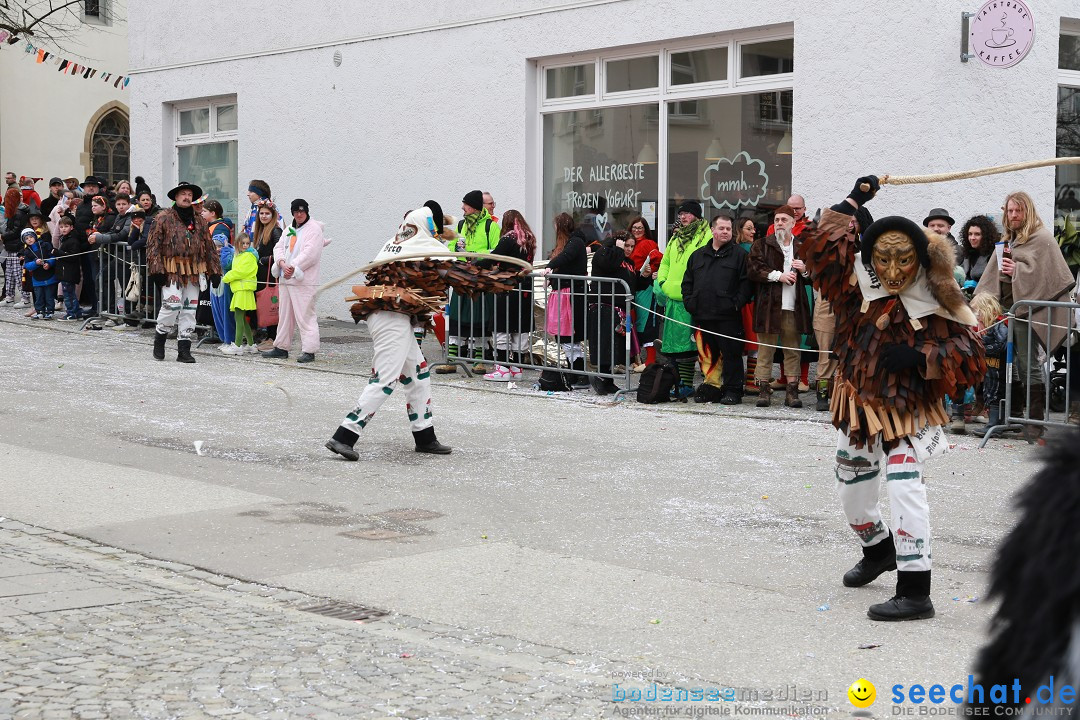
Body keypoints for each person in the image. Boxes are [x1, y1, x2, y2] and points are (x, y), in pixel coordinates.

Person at [801, 175, 985, 621]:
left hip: (907, 410)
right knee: (852, 483)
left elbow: (970, 350)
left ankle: (916, 590)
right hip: (859, 403)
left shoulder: (934, 295)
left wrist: (922, 357)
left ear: (918, 259)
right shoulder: (854, 285)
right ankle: (878, 548)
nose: (893, 270)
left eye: (903, 259)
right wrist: (855, 197)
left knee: (905, 488)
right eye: (883, 259)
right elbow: (820, 246)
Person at [325, 206, 461, 460]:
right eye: (433, 223)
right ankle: (344, 435)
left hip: (391, 315)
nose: (436, 229)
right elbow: (460, 276)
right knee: (386, 379)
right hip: (391, 317)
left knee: (418, 374)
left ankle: (425, 436)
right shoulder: (426, 246)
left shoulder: (396, 243)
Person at [973, 191, 1075, 441]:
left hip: (1032, 313)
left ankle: (1035, 425)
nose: (1014, 215)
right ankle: (1016, 417)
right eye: (1010, 211)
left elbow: (1052, 278)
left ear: (1027, 211)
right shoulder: (1010, 240)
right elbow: (994, 276)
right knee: (1014, 366)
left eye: (1018, 210)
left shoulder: (1042, 239)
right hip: (1012, 311)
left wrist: (1018, 270)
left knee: (1028, 365)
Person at [146, 181, 222, 363]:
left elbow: (209, 247)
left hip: (194, 271)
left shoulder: (200, 221)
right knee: (171, 306)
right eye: (183, 194)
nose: (187, 197)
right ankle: (160, 336)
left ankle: (184, 349)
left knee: (189, 309)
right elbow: (153, 245)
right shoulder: (163, 217)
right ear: (176, 197)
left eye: (189, 194)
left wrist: (215, 271)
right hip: (171, 270)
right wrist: (156, 270)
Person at [682, 214, 752, 404]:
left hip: (728, 316)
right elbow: (687, 282)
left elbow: (746, 285)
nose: (725, 232)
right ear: (712, 230)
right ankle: (711, 387)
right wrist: (690, 302)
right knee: (707, 354)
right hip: (702, 315)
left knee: (731, 354)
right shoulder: (697, 255)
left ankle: (733, 390)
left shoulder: (740, 255)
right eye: (721, 228)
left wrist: (736, 303)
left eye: (728, 229)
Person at [748, 205, 812, 408]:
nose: (780, 223)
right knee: (765, 350)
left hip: (793, 307)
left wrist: (805, 270)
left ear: (794, 223)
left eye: (784, 220)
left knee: (792, 350)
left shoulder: (802, 246)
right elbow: (754, 269)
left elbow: (814, 276)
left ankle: (792, 392)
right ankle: (764, 391)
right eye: (777, 220)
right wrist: (778, 276)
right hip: (768, 307)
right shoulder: (762, 244)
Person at [812, 206, 874, 411]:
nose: (849, 225)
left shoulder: (868, 245)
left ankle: (846, 394)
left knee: (850, 350)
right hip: (828, 300)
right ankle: (822, 392)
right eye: (845, 221)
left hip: (855, 304)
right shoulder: (829, 243)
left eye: (853, 221)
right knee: (826, 347)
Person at [439, 190, 500, 374]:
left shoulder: (491, 226)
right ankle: (451, 360)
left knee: (479, 321)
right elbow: (450, 245)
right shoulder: (461, 225)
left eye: (464, 204)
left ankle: (478, 361)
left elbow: (496, 251)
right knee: (457, 320)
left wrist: (478, 257)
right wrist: (455, 248)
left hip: (480, 279)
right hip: (461, 278)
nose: (462, 208)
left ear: (472, 207)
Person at [656, 201, 712, 398]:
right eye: (681, 214)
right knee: (672, 347)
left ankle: (687, 383)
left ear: (696, 216)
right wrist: (661, 283)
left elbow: (706, 266)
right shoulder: (676, 237)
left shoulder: (706, 236)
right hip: (672, 298)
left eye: (687, 213)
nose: (682, 217)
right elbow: (666, 261)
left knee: (689, 346)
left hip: (691, 299)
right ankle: (676, 382)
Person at [262, 199, 328, 364]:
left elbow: (311, 254)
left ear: (306, 212)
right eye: (296, 211)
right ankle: (281, 347)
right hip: (286, 279)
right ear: (292, 213)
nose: (299, 214)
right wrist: (282, 263)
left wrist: (293, 266)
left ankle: (309, 350)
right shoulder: (289, 230)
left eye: (302, 211)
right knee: (284, 315)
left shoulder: (313, 230)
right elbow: (278, 248)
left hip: (303, 281)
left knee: (305, 315)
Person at [479, 209, 535, 381]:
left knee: (502, 327)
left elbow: (495, 257)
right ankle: (517, 368)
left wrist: (474, 263)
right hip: (524, 287)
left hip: (507, 286)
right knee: (519, 328)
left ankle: (503, 368)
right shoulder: (529, 238)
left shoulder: (509, 238)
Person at [541, 218, 590, 388]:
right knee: (566, 337)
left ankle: (579, 375)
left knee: (570, 336)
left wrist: (550, 266)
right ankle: (575, 374)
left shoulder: (575, 242)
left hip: (571, 295)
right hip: (566, 294)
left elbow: (566, 257)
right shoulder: (573, 242)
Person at [586, 229, 634, 395]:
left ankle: (608, 380)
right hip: (604, 305)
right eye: (626, 245)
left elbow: (631, 283)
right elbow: (608, 265)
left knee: (616, 347)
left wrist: (645, 277)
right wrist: (618, 249)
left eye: (631, 246)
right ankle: (601, 378)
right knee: (605, 345)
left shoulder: (629, 262)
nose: (629, 249)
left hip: (621, 308)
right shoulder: (605, 253)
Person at [201, 200, 237, 353]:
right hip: (213, 270)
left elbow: (218, 249)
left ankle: (228, 338)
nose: (201, 213)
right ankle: (223, 337)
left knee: (223, 308)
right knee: (216, 307)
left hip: (220, 273)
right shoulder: (210, 226)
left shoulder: (220, 227)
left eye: (204, 211)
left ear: (213, 212)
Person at [626, 215, 663, 369]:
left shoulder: (649, 243)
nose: (637, 230)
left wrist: (652, 271)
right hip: (632, 287)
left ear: (646, 229)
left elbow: (659, 259)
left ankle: (650, 360)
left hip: (646, 288)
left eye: (640, 228)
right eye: (634, 227)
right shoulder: (629, 244)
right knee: (632, 324)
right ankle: (636, 360)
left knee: (647, 323)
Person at [968, 293, 1007, 435]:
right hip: (991, 367)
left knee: (995, 393)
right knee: (989, 392)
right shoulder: (988, 325)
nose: (977, 316)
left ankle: (994, 425)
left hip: (997, 367)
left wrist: (983, 350)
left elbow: (1002, 344)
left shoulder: (998, 324)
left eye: (978, 312)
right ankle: (994, 423)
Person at [251, 201, 283, 350]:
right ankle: (268, 336)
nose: (264, 216)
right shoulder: (260, 230)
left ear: (273, 215)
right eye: (261, 213)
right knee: (265, 306)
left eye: (267, 213)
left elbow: (280, 253)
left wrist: (263, 260)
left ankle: (274, 338)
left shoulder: (276, 231)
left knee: (272, 306)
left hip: (271, 275)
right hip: (261, 275)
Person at [221, 233, 259, 354]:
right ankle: (251, 344)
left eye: (247, 243)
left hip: (243, 289)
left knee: (239, 318)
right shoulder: (241, 255)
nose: (245, 245)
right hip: (241, 289)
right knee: (242, 318)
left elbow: (239, 272)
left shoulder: (248, 256)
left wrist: (226, 278)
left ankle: (237, 346)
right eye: (243, 243)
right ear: (237, 243)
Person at [737, 217, 761, 392]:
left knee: (738, 343)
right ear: (739, 231)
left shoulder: (733, 250)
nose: (753, 232)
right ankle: (751, 382)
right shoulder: (752, 250)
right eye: (749, 228)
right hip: (750, 301)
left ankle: (743, 379)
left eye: (753, 229)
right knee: (753, 343)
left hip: (740, 301)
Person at [20, 227, 57, 319]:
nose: (29, 239)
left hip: (49, 275)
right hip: (37, 277)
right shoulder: (27, 252)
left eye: (31, 237)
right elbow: (27, 265)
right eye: (26, 238)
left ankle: (50, 311)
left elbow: (53, 257)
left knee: (49, 296)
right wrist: (35, 263)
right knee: (39, 296)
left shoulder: (45, 245)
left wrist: (49, 263)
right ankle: (40, 311)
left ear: (35, 237)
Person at [53, 215, 84, 321]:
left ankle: (71, 313)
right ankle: (77, 312)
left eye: (66, 226)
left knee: (68, 294)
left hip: (69, 271)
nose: (63, 229)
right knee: (70, 293)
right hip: (65, 271)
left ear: (71, 227)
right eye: (61, 227)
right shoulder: (65, 238)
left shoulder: (73, 240)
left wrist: (57, 253)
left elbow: (72, 256)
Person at [958, 215, 998, 286]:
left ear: (986, 236)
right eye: (970, 234)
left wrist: (978, 285)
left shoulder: (994, 255)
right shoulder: (967, 254)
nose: (972, 238)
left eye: (977, 234)